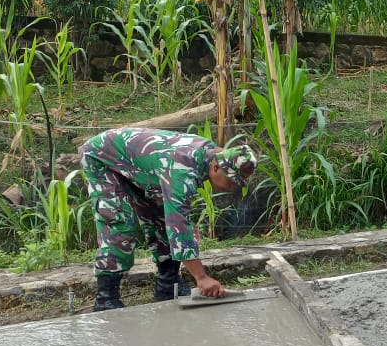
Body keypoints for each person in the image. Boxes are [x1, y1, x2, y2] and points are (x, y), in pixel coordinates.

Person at [80, 127, 257, 311]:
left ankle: (168, 283)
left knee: (160, 218)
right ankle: (106, 297)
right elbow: (178, 223)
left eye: (238, 182)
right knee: (120, 224)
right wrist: (201, 278)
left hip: (141, 165)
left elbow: (176, 215)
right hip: (102, 157)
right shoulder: (183, 168)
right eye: (231, 180)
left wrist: (183, 224)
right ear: (216, 167)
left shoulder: (210, 155)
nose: (233, 186)